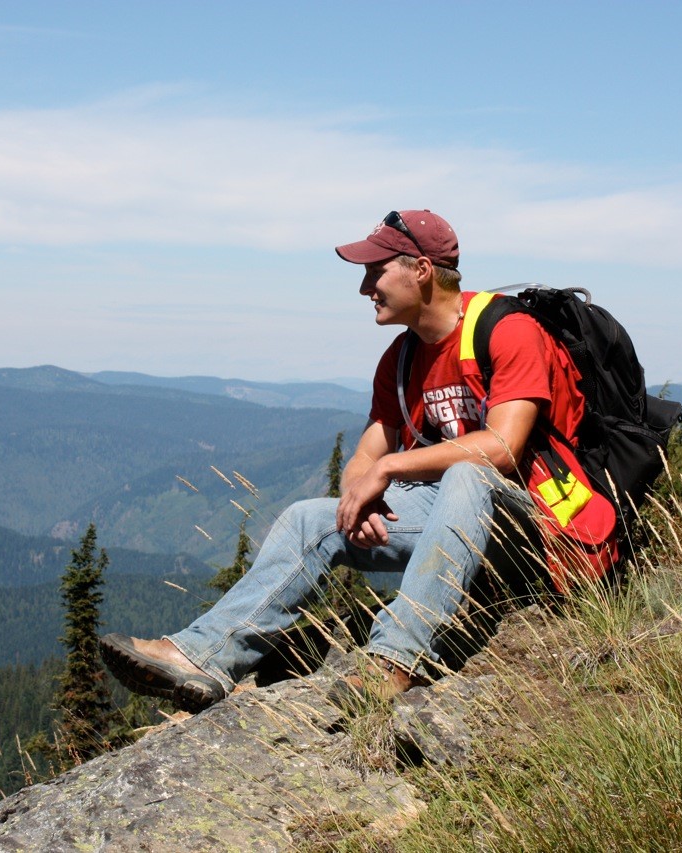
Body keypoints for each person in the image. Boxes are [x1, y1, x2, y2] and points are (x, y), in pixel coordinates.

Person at [100, 209, 616, 713]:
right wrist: (358, 495)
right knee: (310, 519)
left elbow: (501, 449)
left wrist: (387, 472)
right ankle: (203, 656)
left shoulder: (508, 329)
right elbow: (369, 451)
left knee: (467, 472)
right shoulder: (403, 357)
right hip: (454, 524)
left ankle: (396, 660)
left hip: (533, 529)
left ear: (420, 269)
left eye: (376, 271)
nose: (366, 287)